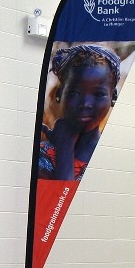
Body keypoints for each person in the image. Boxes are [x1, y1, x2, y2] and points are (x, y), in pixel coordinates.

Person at [38, 44, 121, 181]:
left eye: (98, 94)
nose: (85, 104)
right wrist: (65, 149)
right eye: (74, 93)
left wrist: (64, 148)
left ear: (113, 97)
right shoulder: (41, 155)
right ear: (59, 94)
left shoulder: (113, 159)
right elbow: (57, 201)